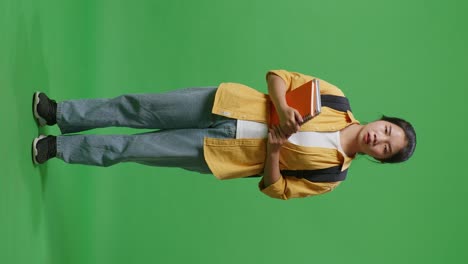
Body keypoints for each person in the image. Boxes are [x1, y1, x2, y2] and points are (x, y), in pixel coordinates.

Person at [31, 70, 417, 200]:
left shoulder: (332, 176)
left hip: (218, 154)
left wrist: (274, 151)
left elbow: (274, 188)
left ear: (380, 159)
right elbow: (278, 77)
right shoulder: (336, 98)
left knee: (132, 147)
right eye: (387, 131)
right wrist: (283, 108)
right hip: (224, 103)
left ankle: (57, 147)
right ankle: (60, 112)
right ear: (383, 120)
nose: (379, 139)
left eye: (386, 148)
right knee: (135, 106)